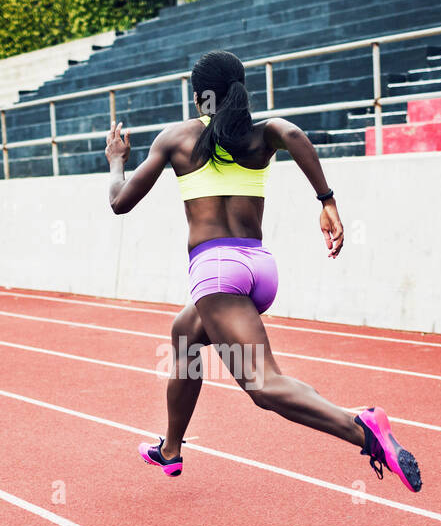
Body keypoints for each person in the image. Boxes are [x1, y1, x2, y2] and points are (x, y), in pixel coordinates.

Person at [105, 49, 421, 493]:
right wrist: (326, 201)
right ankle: (171, 449)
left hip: (216, 272)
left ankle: (363, 430)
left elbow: (119, 202)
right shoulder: (260, 135)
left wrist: (116, 159)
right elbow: (290, 131)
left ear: (199, 97)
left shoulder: (175, 139)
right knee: (185, 334)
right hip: (257, 268)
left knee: (263, 386)